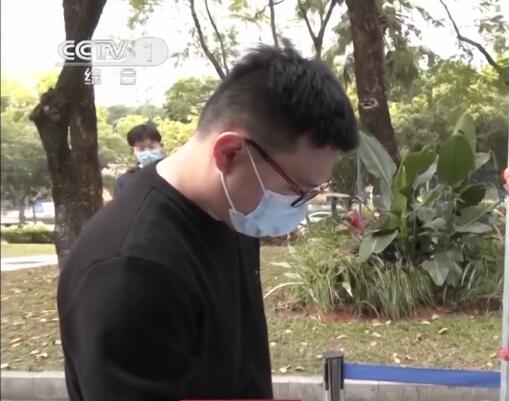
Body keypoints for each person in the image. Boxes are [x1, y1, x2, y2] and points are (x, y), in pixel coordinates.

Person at [57, 40, 358, 400]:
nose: (300, 206)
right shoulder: (131, 274)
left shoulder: (234, 213)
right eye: (295, 189)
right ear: (229, 153)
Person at [114, 122, 164, 197]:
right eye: (141, 149)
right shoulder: (124, 181)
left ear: (161, 146)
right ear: (132, 151)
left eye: (152, 147)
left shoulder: (174, 173)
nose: (147, 152)